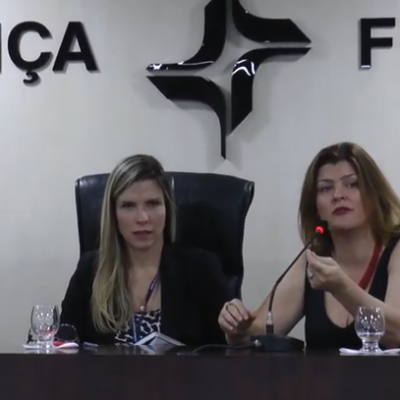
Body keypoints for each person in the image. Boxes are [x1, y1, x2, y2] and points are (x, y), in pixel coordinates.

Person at [218, 142, 400, 350]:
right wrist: (237, 328)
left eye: (352, 184)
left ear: (375, 195)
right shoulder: (312, 260)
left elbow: (396, 335)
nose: (338, 195)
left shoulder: (396, 250)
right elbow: (259, 333)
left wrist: (342, 288)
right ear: (315, 207)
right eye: (325, 188)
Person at [60, 154, 230, 346]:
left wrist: (237, 333)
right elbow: (64, 344)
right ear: (113, 213)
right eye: (128, 206)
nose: (142, 218)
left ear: (167, 208)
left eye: (152, 204)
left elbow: (230, 348)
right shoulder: (90, 270)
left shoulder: (201, 269)